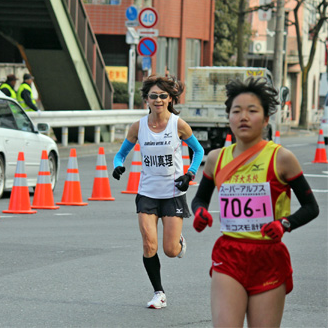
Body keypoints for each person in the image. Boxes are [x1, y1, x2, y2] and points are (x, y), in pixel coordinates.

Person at [191, 77, 319, 327]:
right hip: (229, 255)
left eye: (252, 111)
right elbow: (199, 200)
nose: (243, 117)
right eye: (236, 111)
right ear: (228, 117)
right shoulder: (216, 159)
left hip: (268, 258)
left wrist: (285, 224)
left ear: (266, 119)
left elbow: (311, 207)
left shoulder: (281, 158)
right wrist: (199, 213)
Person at [112, 74, 204, 309]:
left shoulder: (178, 125)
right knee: (148, 245)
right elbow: (121, 153)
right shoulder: (139, 126)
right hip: (147, 193)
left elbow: (199, 151)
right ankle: (158, 293)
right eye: (153, 96)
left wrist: (189, 174)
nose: (158, 100)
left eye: (163, 96)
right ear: (147, 99)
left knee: (170, 251)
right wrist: (118, 166)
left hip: (173, 193)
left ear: (170, 98)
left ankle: (179, 242)